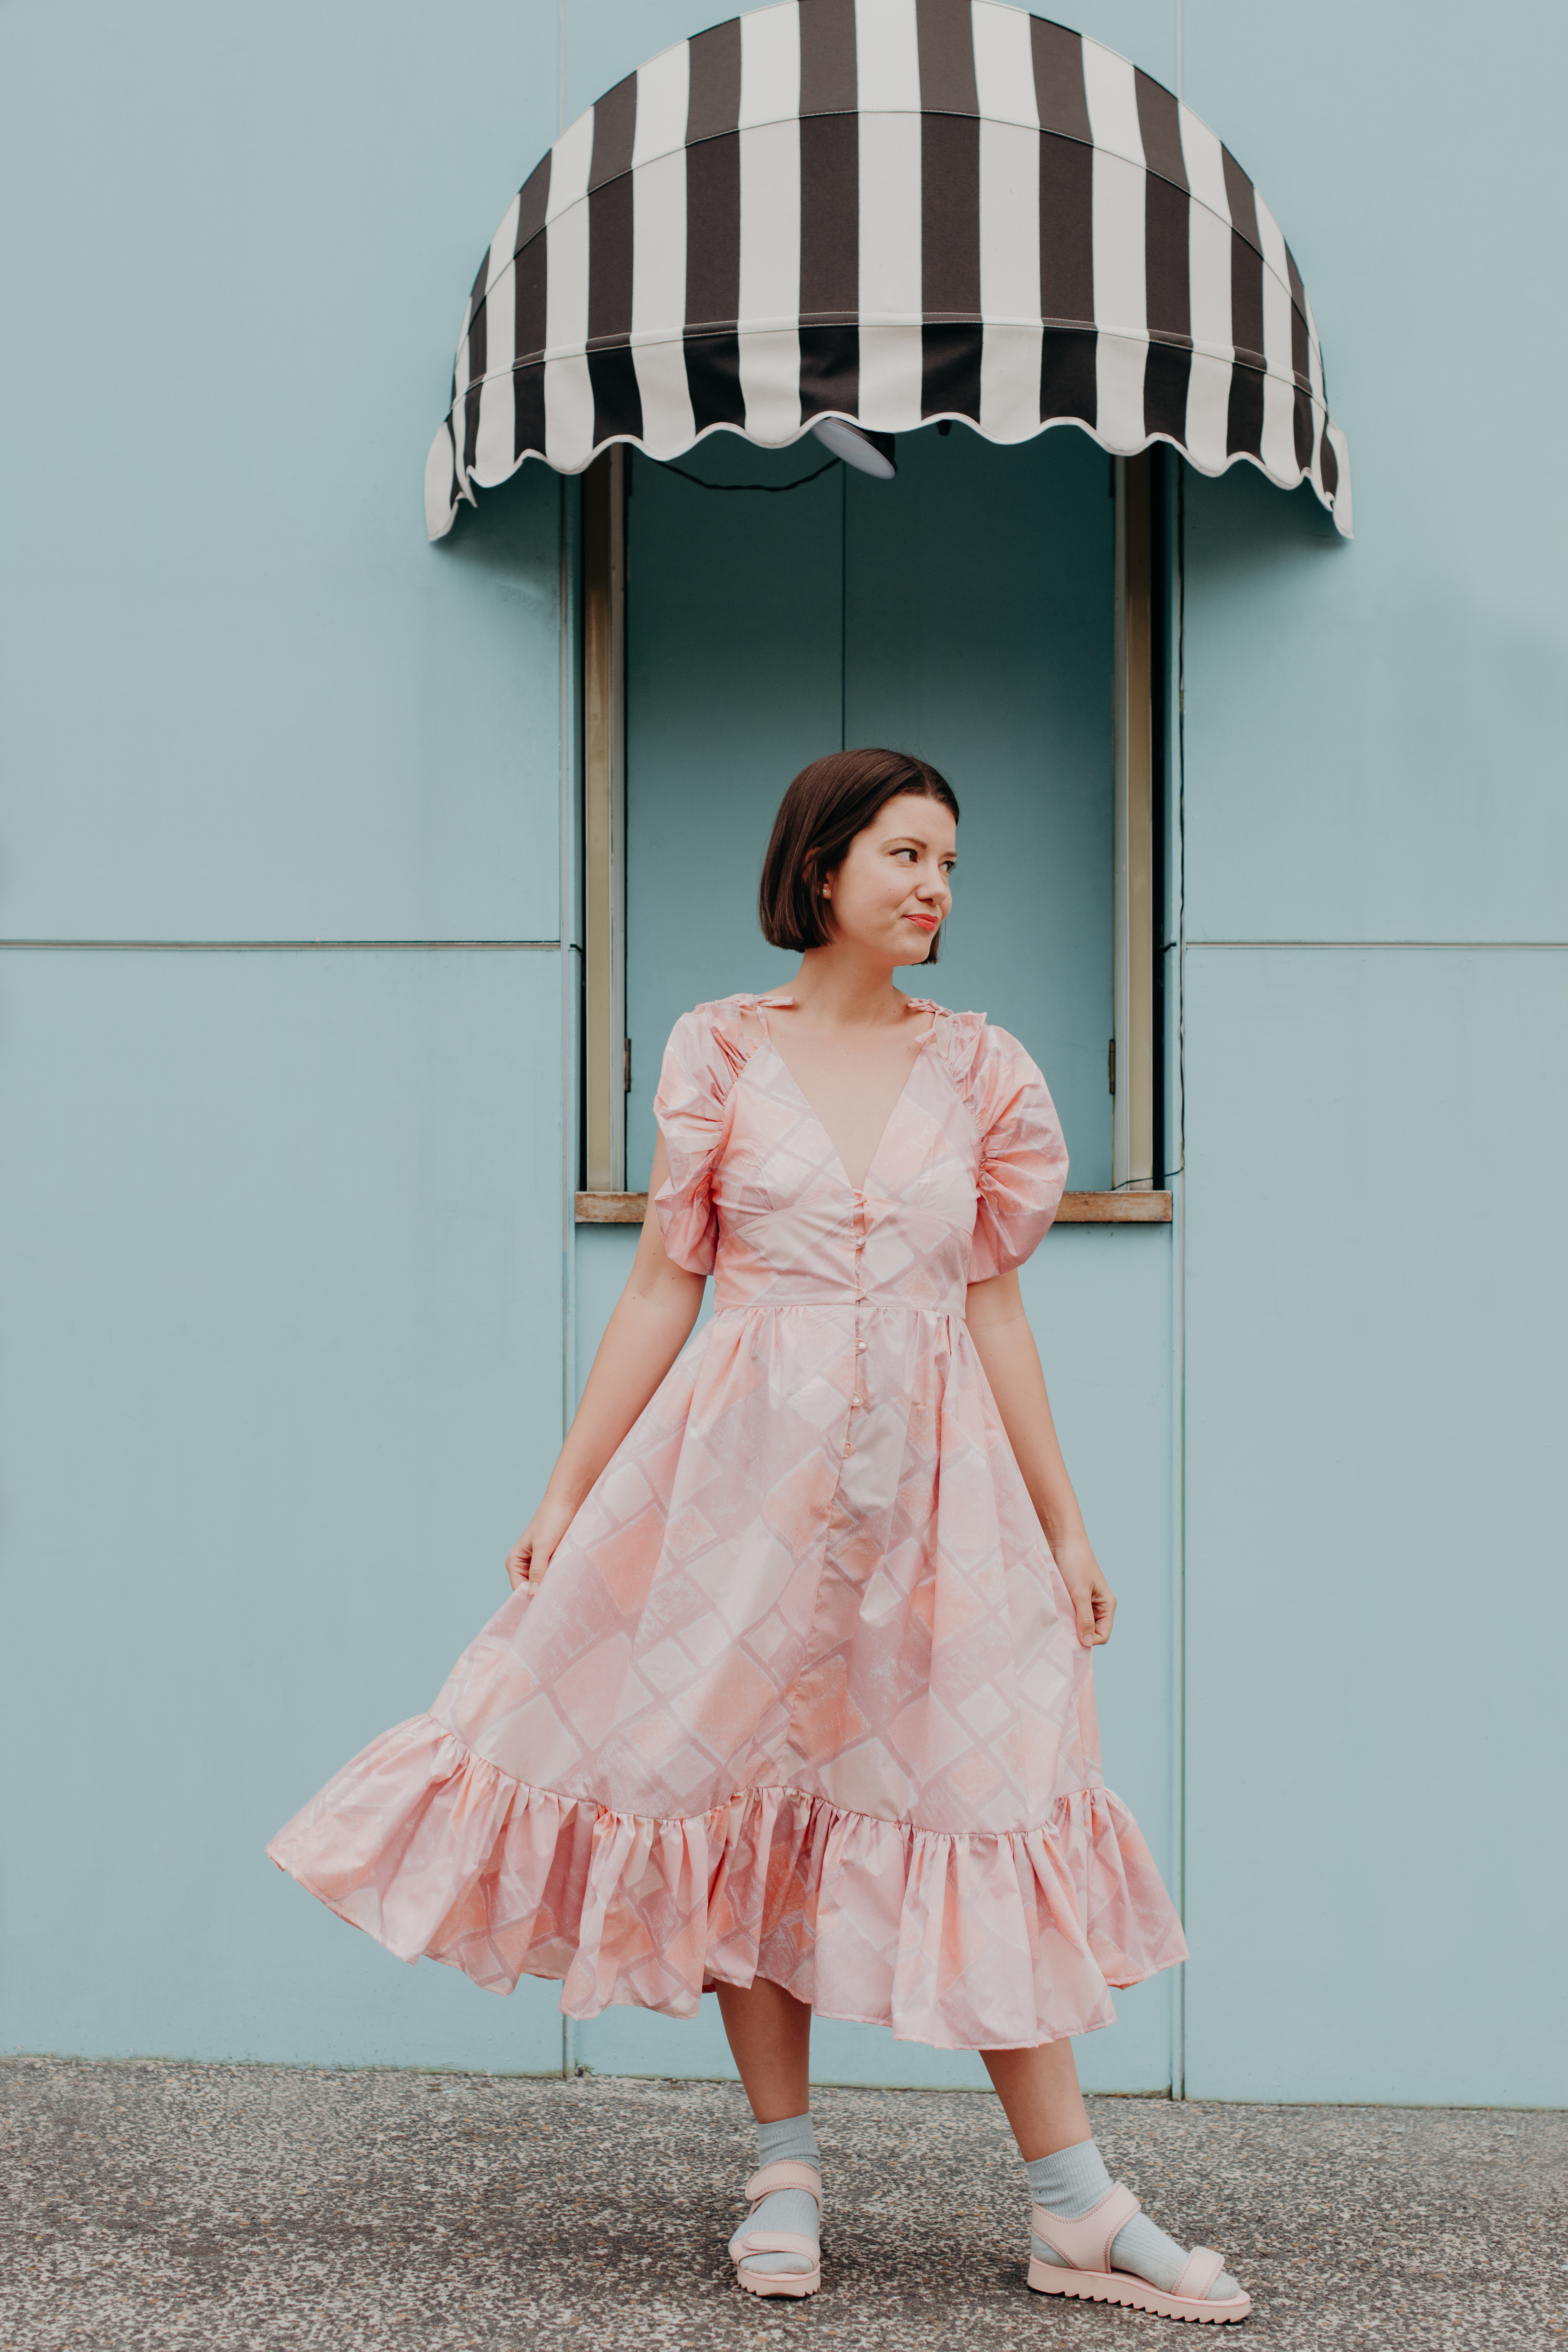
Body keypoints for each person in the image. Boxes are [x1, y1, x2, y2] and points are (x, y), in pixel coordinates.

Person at [269, 748, 1249, 2324]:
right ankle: (782, 2171)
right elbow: (669, 1279)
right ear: (822, 868)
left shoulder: (985, 1071)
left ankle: (1077, 2205)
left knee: (984, 1806)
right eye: (907, 856)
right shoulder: (722, 1048)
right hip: (734, 1488)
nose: (935, 887)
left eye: (949, 863)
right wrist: (568, 1488)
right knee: (747, 1804)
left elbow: (992, 1305)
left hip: (942, 1503)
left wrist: (1068, 1521)